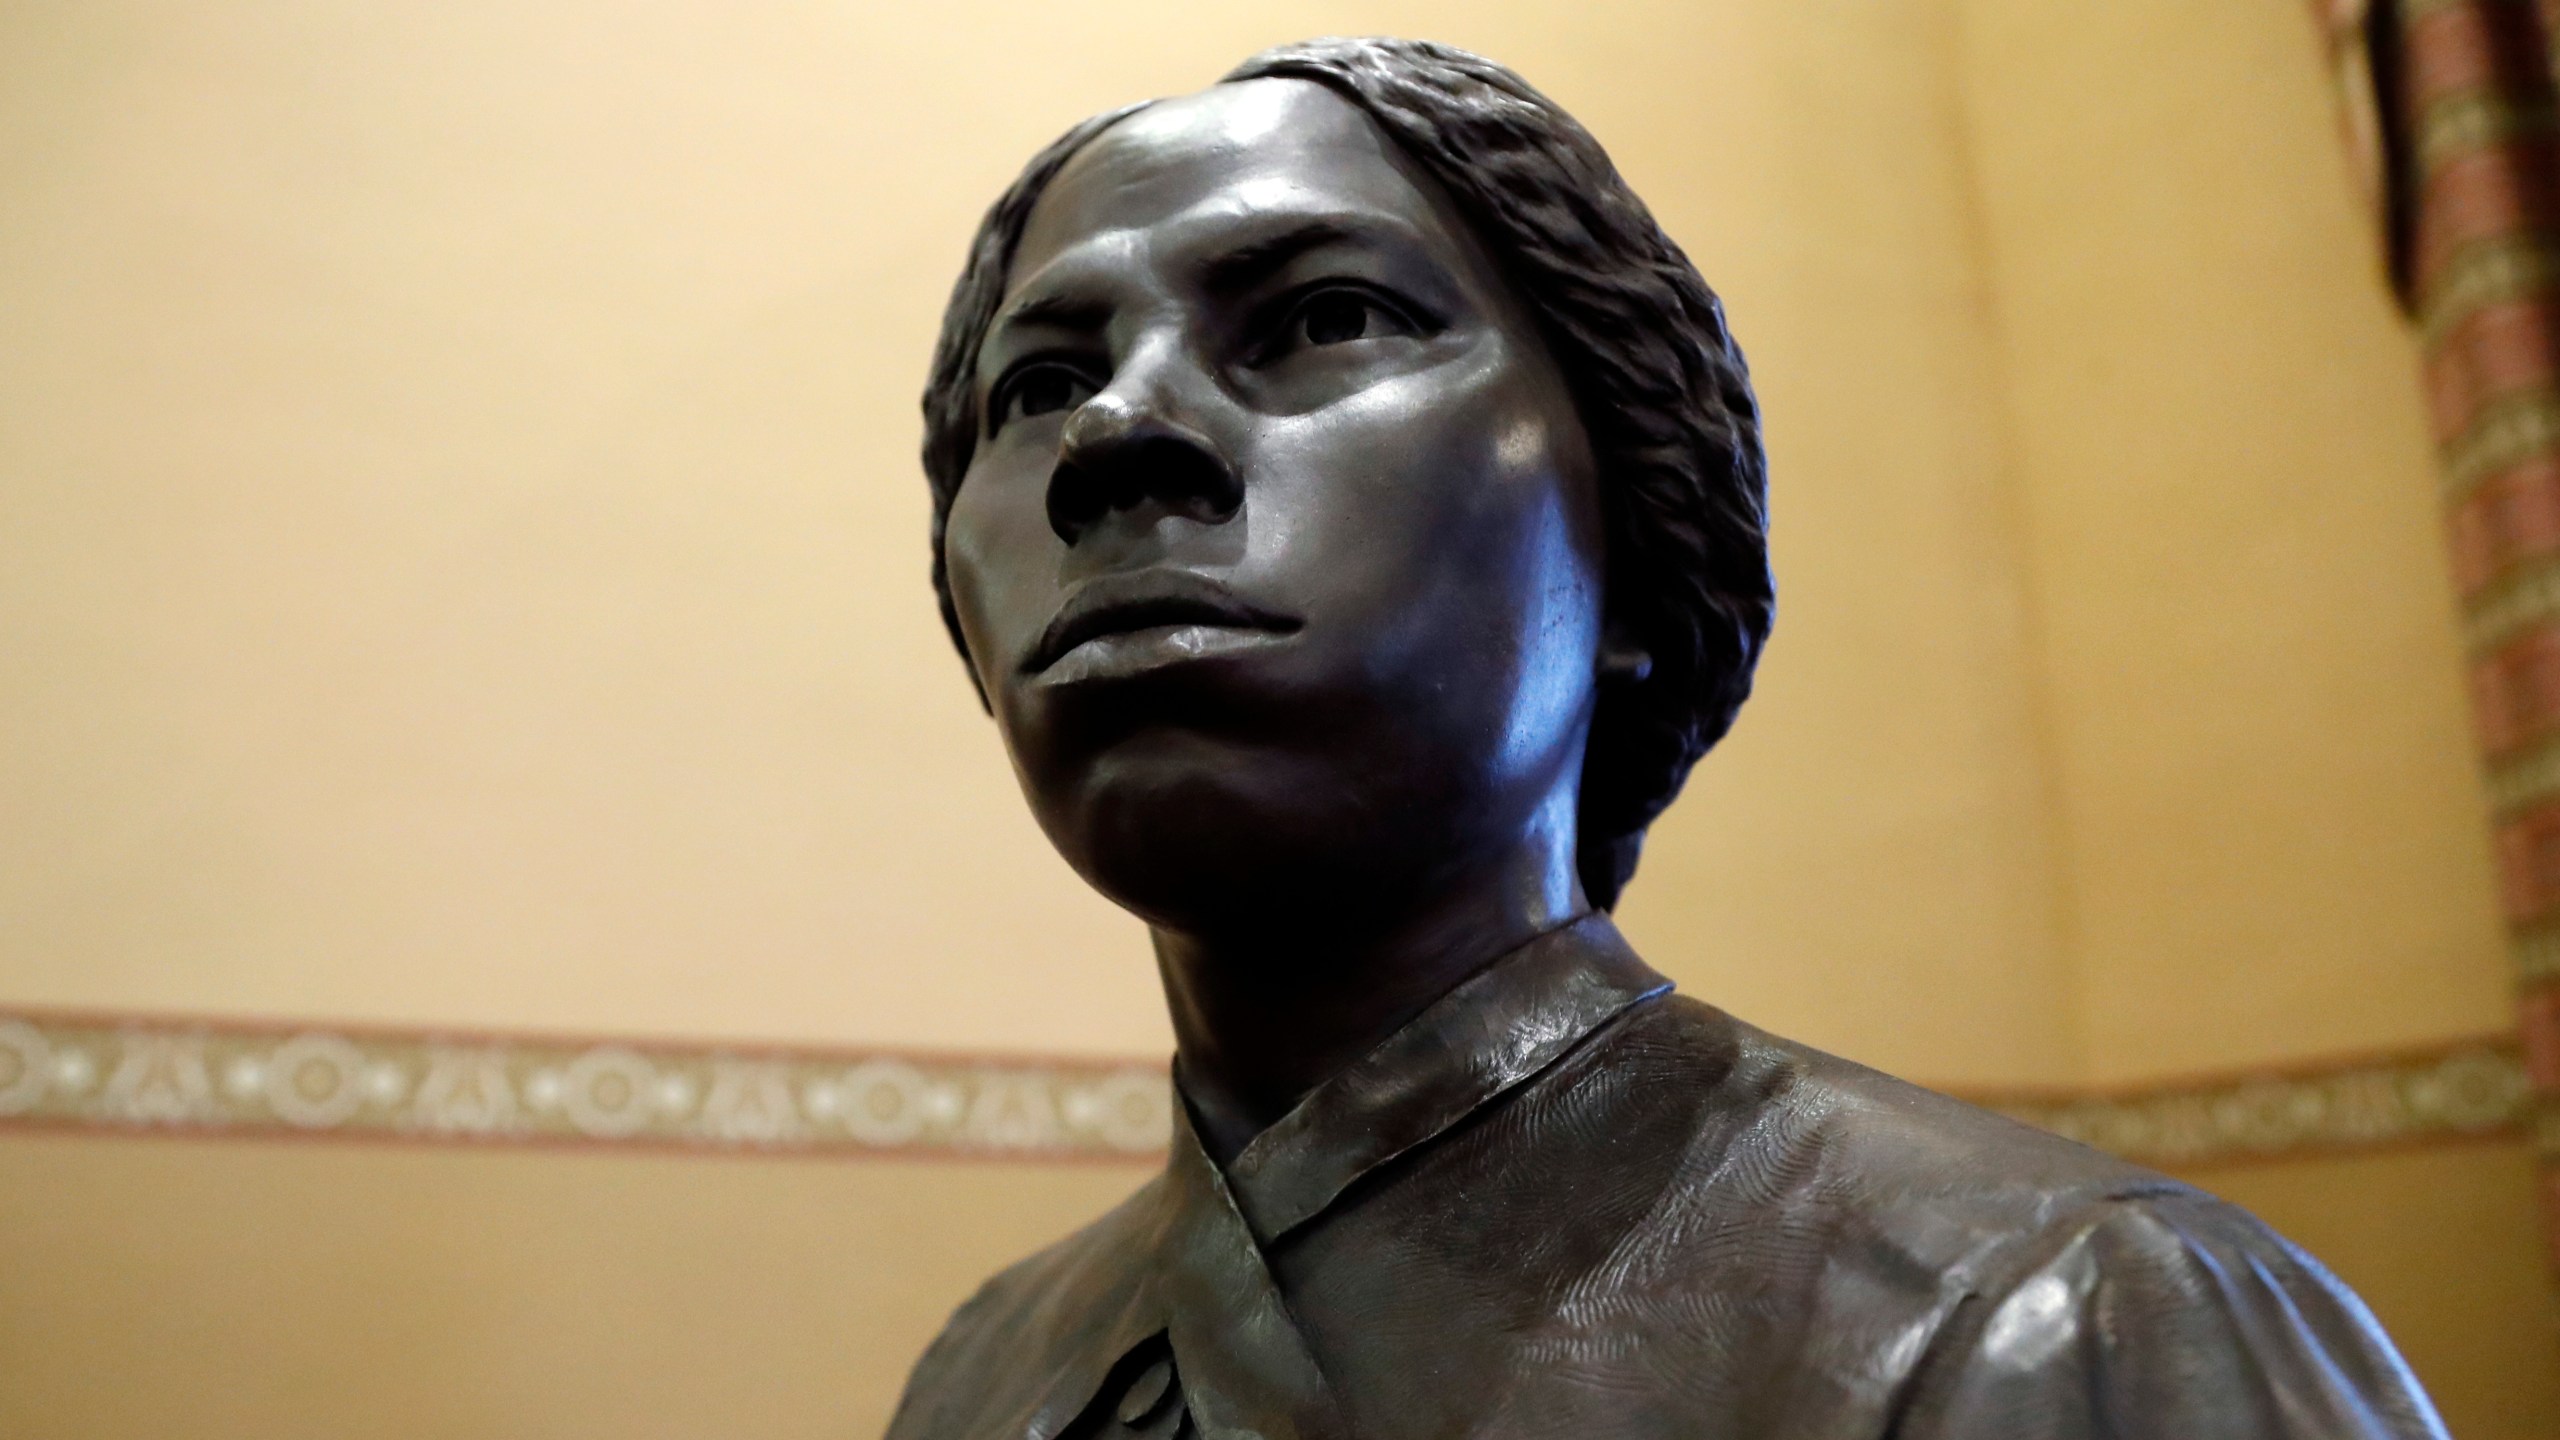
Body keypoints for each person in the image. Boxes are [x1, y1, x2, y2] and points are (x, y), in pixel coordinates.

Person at [888, 36, 2446, 1440]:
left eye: (1324, 318)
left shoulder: (2082, 1322)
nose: (1113, 436)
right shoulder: (987, 1376)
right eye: (1040, 386)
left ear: (1630, 540)